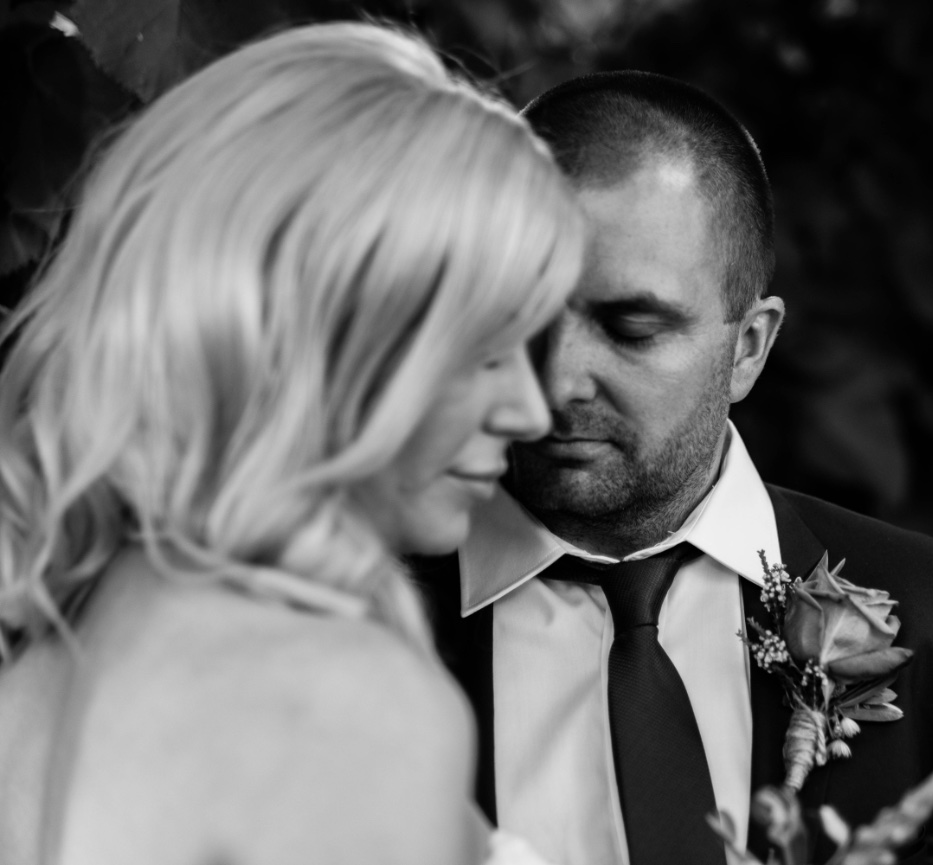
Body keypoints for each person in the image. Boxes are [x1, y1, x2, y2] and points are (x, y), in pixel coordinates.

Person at [415, 71, 933, 865]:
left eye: (630, 328)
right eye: (524, 313)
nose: (555, 381)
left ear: (749, 348)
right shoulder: (352, 611)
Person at [0, 22, 584, 865]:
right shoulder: (351, 708)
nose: (530, 411)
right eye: (486, 351)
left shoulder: (45, 654)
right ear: (315, 342)